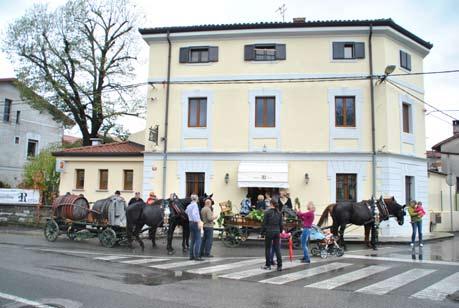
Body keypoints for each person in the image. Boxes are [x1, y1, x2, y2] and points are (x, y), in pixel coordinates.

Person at [261, 199, 283, 271]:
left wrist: (262, 233)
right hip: (277, 231)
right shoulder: (279, 213)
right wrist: (280, 231)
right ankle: (279, 266)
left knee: (268, 248)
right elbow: (281, 224)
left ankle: (268, 265)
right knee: (277, 249)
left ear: (271, 204)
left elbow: (264, 224)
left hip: (269, 231)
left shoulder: (267, 212)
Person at [185, 194, 204, 261]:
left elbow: (186, 211)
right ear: (196, 199)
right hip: (195, 222)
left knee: (192, 240)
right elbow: (194, 214)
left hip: (190, 222)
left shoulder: (189, 205)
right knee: (198, 240)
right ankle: (197, 256)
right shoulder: (195, 205)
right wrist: (198, 221)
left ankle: (191, 256)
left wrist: (190, 217)